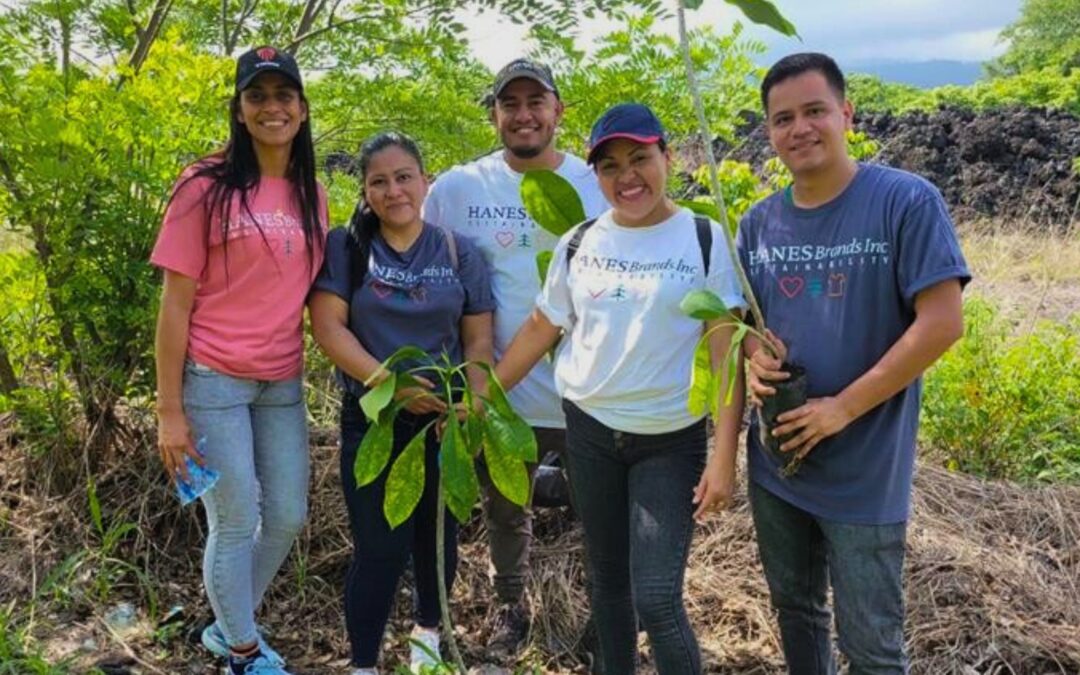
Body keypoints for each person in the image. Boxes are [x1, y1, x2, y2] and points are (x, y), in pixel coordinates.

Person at [491, 102, 747, 674]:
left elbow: (725, 353)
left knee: (656, 595)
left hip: (669, 439)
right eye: (609, 166)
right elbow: (542, 326)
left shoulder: (704, 240)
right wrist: (482, 395)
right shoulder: (580, 242)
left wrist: (725, 456)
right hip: (590, 432)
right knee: (607, 584)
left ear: (667, 156)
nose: (627, 176)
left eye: (640, 158)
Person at [740, 52, 970, 674]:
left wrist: (842, 408)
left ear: (846, 113)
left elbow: (943, 322)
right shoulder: (757, 225)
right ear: (769, 131)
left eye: (815, 111)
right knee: (797, 612)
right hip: (777, 464)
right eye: (783, 118)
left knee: (871, 645)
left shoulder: (903, 201)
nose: (800, 128)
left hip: (867, 470)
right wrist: (754, 358)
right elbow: (743, 329)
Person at [422, 57, 608, 656]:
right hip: (498, 394)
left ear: (559, 111)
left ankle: (602, 620)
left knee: (601, 513)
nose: (523, 115)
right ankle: (512, 612)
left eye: (536, 102)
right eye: (510, 104)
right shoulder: (456, 189)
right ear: (495, 114)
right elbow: (418, 258)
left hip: (589, 390)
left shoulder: (593, 184)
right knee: (506, 513)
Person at [152, 46, 326, 675]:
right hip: (212, 381)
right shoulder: (205, 185)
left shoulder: (314, 194)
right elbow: (174, 307)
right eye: (258, 96)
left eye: (284, 96)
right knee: (235, 520)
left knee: (286, 515)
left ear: (302, 111)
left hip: (281, 380)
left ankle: (228, 624)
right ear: (240, 109)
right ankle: (244, 653)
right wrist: (169, 410)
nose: (272, 107)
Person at [309, 132, 495, 675]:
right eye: (379, 182)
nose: (394, 191)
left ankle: (427, 641)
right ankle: (364, 662)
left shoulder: (460, 250)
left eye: (404, 177)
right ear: (366, 191)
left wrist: (476, 403)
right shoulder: (347, 246)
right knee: (380, 547)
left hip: (444, 422)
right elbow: (328, 328)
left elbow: (479, 341)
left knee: (437, 539)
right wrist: (389, 385)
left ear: (425, 180)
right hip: (373, 419)